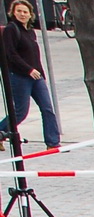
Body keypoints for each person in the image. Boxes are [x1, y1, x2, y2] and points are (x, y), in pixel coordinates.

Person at [0, 0, 57, 147]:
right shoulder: (11, 30)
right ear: (13, 12)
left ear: (30, 14)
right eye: (19, 11)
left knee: (47, 108)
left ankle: (53, 142)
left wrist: (41, 74)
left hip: (37, 77)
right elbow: (11, 55)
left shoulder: (30, 32)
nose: (22, 14)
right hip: (20, 77)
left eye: (25, 12)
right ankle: (1, 132)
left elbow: (34, 55)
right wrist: (28, 70)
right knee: (20, 112)